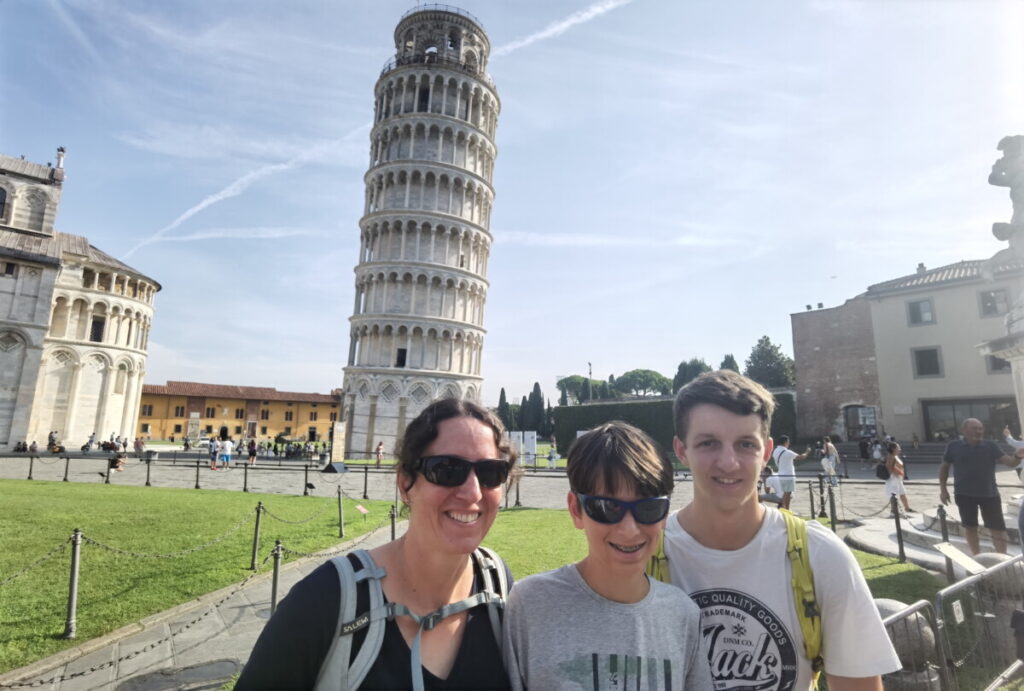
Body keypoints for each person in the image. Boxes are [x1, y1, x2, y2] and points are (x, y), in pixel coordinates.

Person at [237, 398, 516, 689]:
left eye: (490, 473)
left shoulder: (497, 586)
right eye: (447, 470)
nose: (472, 493)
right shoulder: (323, 600)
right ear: (405, 483)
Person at [663, 370, 900, 690]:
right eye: (708, 443)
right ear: (681, 451)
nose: (729, 462)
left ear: (766, 452)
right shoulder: (644, 552)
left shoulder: (821, 555)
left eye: (746, 444)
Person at [503, 422, 710, 689]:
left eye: (648, 508)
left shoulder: (682, 615)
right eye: (606, 507)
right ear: (576, 510)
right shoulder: (530, 604)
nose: (629, 529)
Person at [940, 418, 1023, 554]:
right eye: (975, 428)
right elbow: (944, 467)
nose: (979, 431)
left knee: (998, 529)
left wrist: (1017, 456)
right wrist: (943, 490)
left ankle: (1001, 560)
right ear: (964, 430)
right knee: (970, 527)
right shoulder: (953, 446)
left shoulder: (991, 446)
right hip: (964, 494)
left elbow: (1010, 463)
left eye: (980, 428)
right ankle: (977, 557)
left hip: (989, 494)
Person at [768, 435, 809, 510]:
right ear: (785, 442)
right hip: (788, 475)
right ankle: (786, 509)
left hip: (781, 474)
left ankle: (782, 508)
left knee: (785, 493)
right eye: (788, 442)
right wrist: (807, 452)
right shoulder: (787, 452)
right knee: (788, 494)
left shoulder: (775, 451)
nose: (788, 444)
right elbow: (801, 457)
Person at [884, 442, 912, 516]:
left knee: (902, 493)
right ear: (893, 449)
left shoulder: (895, 456)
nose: (899, 449)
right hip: (893, 478)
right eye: (898, 448)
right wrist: (897, 472)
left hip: (898, 478)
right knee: (894, 495)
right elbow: (888, 466)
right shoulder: (891, 456)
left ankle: (907, 508)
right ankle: (893, 511)